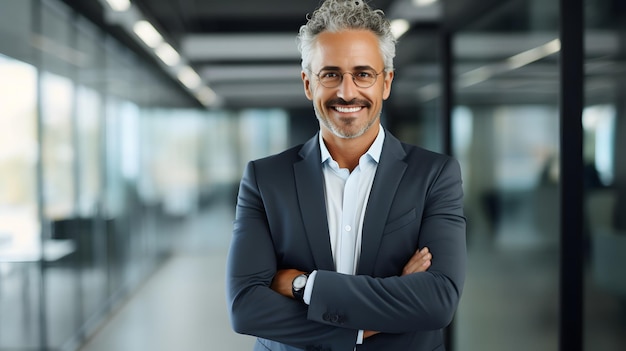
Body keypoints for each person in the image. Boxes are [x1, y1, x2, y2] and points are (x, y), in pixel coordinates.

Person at [226, 1, 466, 350]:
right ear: (309, 84)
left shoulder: (434, 175)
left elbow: (438, 300)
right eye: (331, 74)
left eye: (363, 74)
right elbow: (246, 308)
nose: (347, 92)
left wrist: (304, 287)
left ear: (386, 83)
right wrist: (365, 323)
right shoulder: (265, 179)